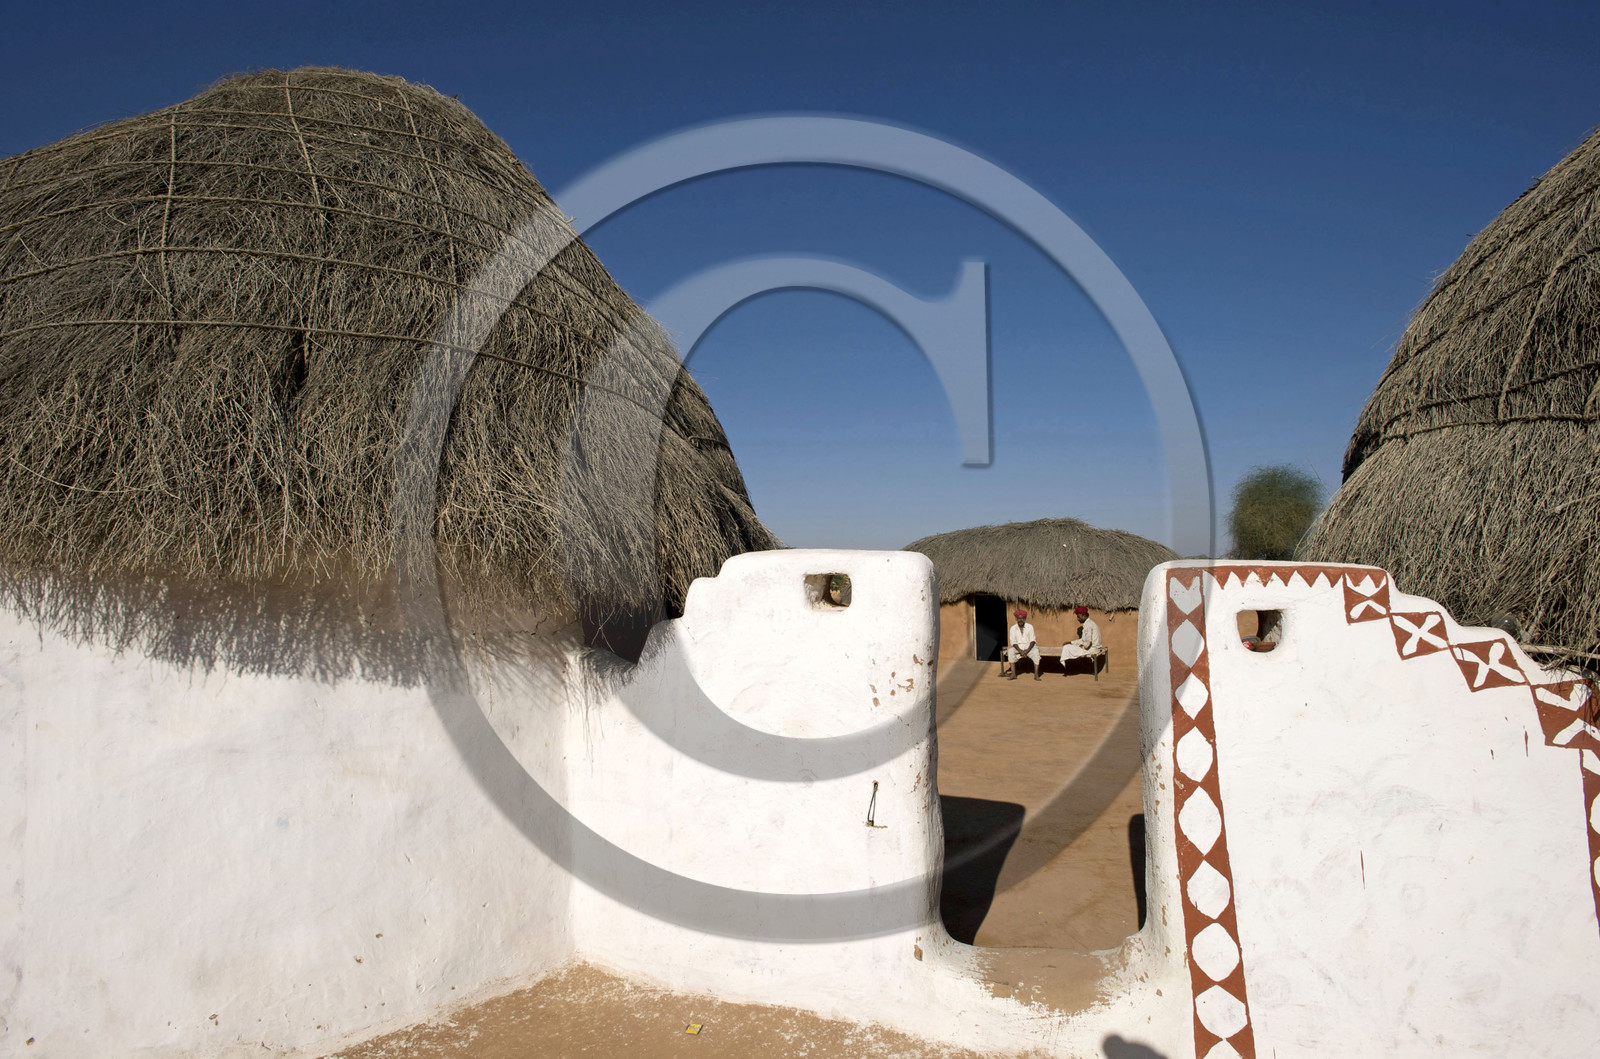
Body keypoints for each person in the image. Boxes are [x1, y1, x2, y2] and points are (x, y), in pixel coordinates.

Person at [1002, 608, 1042, 681]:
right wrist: (1020, 651)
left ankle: (1036, 675)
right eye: (1019, 618)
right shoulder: (1013, 628)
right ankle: (1013, 674)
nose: (1020, 620)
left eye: (1022, 618)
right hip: (1018, 647)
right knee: (1011, 651)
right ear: (1016, 619)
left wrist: (1027, 651)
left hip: (1029, 646)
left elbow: (1032, 640)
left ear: (1025, 618)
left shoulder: (1030, 627)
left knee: (1036, 652)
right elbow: (1013, 642)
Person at [1059, 605, 1103, 670]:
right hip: (1092, 648)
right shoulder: (1089, 623)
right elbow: (1083, 640)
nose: (1077, 619)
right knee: (1068, 646)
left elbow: (1087, 643)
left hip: (1092, 650)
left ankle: (1064, 668)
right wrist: (1071, 642)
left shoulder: (1088, 625)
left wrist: (1081, 646)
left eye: (1078, 617)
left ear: (1084, 615)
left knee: (1066, 648)